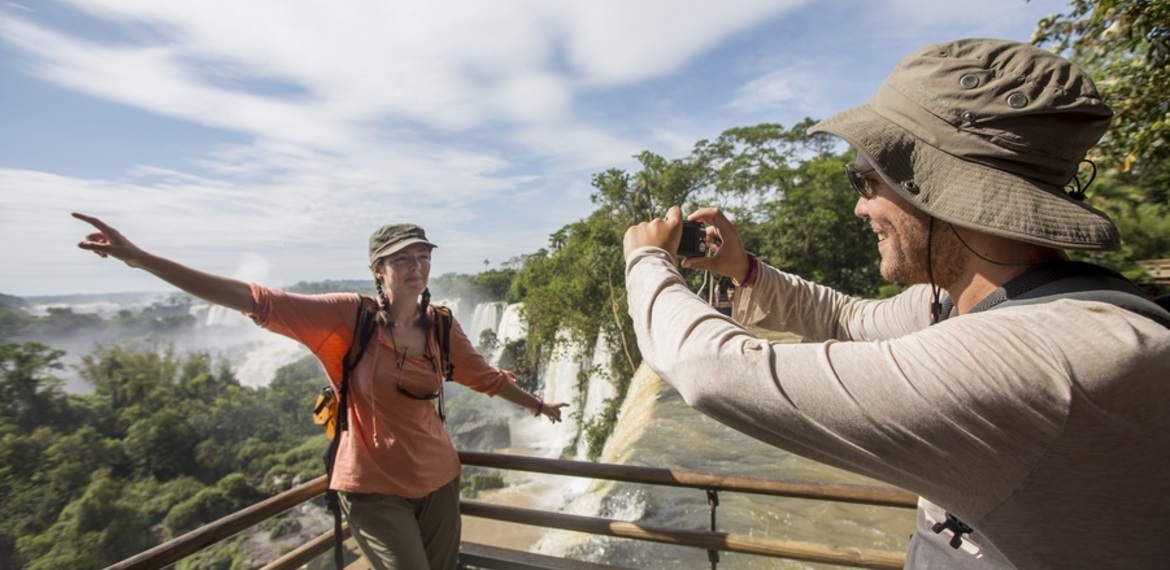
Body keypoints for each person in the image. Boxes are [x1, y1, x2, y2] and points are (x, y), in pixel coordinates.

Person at [622, 38, 1170, 569]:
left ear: (941, 186)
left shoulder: (1034, 359)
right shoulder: (1003, 302)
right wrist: (744, 272)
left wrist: (648, 262)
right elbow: (850, 319)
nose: (861, 209)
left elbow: (713, 371)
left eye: (865, 181)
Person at [74, 213, 568, 570]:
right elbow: (255, 299)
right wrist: (140, 260)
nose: (417, 266)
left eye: (423, 256)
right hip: (373, 489)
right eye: (402, 259)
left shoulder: (441, 325)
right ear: (379, 269)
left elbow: (484, 377)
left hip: (440, 481)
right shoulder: (346, 316)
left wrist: (539, 405)